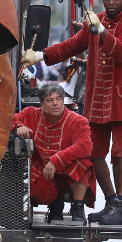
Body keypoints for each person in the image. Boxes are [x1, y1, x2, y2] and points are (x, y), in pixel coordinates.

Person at [22, 0, 122, 226]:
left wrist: (99, 30)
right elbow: (71, 46)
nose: (111, 2)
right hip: (97, 99)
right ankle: (112, 202)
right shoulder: (95, 20)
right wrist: (40, 55)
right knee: (95, 153)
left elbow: (120, 52)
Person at [14, 85, 93, 223]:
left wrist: (56, 160)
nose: (55, 103)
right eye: (50, 100)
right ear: (42, 104)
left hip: (67, 169)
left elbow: (85, 146)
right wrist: (19, 127)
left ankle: (78, 206)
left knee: (83, 163)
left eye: (59, 99)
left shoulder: (78, 121)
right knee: (41, 194)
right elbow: (9, 119)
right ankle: (55, 205)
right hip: (42, 171)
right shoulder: (30, 113)